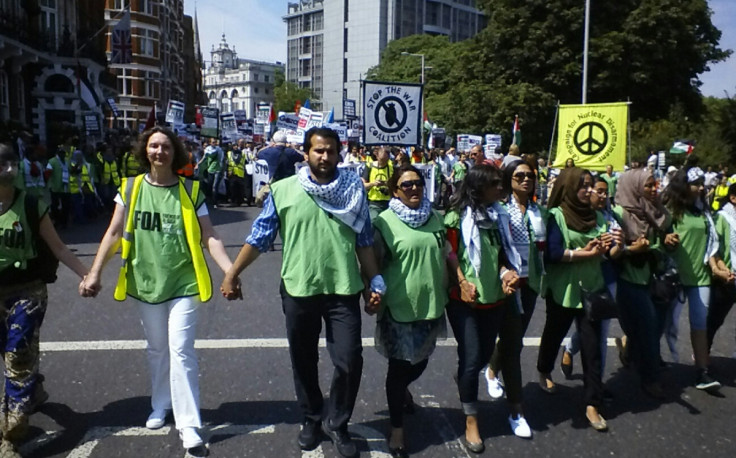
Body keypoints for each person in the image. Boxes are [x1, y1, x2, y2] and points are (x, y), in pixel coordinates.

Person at [220, 127, 383, 458]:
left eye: (331, 151)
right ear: (305, 153)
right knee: (303, 360)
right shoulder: (283, 190)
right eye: (318, 151)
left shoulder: (354, 190)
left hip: (343, 289)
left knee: (350, 360)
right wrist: (232, 273)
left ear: (339, 154)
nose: (325, 157)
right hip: (299, 288)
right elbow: (259, 238)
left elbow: (364, 241)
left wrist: (374, 283)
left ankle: (337, 423)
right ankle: (311, 418)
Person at [79, 127, 233, 455]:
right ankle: (161, 404)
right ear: (144, 151)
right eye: (153, 146)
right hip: (146, 282)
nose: (159, 151)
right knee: (158, 349)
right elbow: (113, 232)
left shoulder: (191, 191)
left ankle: (189, 424)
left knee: (181, 350)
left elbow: (210, 235)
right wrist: (95, 272)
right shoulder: (131, 188)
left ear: (174, 152)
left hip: (185, 283)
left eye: (164, 146)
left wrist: (230, 271)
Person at [0, 145, 88, 454]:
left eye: (10, 164)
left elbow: (60, 247)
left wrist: (86, 274)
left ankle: (11, 435)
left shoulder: (31, 204)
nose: (6, 170)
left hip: (27, 292)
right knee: (8, 354)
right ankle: (33, 390)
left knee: (18, 358)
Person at [372, 164, 450, 457]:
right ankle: (397, 428)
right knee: (400, 366)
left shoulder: (436, 217)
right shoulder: (384, 223)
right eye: (406, 185)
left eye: (417, 183)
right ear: (395, 191)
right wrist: (373, 293)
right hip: (398, 307)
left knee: (420, 361)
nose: (414, 188)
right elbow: (374, 264)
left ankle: (403, 388)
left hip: (431, 303)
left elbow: (446, 252)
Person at [536, 167, 619, 432]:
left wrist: (614, 245)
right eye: (583, 186)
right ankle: (544, 369)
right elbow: (553, 253)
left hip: (591, 290)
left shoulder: (596, 216)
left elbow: (609, 253)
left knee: (592, 348)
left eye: (590, 186)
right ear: (570, 187)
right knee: (554, 333)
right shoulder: (556, 216)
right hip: (563, 290)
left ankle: (592, 403)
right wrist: (583, 253)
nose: (589, 191)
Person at [444, 164, 519, 453]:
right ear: (478, 188)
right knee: (472, 355)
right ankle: (471, 419)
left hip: (495, 298)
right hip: (463, 299)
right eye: (495, 185)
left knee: (481, 356)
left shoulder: (500, 216)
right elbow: (449, 255)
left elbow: (501, 256)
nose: (501, 189)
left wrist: (506, 273)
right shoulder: (454, 217)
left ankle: (466, 375)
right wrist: (462, 281)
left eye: (501, 184)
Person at [483, 159, 545, 438]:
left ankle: (493, 371)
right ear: (508, 179)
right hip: (505, 284)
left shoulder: (539, 211)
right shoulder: (499, 212)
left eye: (530, 175)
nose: (525, 179)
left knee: (514, 339)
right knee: (513, 344)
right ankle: (516, 410)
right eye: (519, 175)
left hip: (530, 283)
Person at [609, 168, 670, 398]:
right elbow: (612, 249)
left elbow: (665, 229)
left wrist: (665, 240)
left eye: (655, 185)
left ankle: (629, 355)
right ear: (634, 187)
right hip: (627, 279)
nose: (654, 189)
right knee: (649, 327)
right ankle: (651, 378)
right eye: (648, 186)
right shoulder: (618, 213)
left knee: (640, 329)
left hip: (651, 279)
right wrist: (634, 248)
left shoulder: (652, 211)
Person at [661, 166, 721, 390]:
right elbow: (660, 236)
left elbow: (712, 242)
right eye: (697, 184)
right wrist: (667, 239)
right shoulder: (670, 210)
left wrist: (715, 266)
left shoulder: (703, 210)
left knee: (700, 323)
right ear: (684, 186)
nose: (702, 188)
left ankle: (702, 372)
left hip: (700, 277)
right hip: (674, 277)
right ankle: (632, 349)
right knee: (661, 324)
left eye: (702, 183)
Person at [560, 176, 622, 384]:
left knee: (599, 329)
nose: (603, 196)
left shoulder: (610, 216)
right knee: (592, 328)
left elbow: (612, 253)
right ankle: (595, 385)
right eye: (599, 191)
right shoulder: (579, 217)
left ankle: (595, 383)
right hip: (585, 279)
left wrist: (619, 245)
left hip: (608, 278)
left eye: (606, 192)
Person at [708, 183, 736, 357]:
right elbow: (714, 248)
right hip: (726, 278)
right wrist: (721, 270)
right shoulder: (721, 218)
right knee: (714, 320)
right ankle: (703, 354)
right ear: (733, 198)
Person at [362, 146, 394, 220]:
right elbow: (362, 185)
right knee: (373, 222)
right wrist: (373, 184)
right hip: (374, 203)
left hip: (388, 203)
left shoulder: (392, 167)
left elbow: (396, 185)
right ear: (377, 156)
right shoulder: (369, 166)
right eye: (382, 160)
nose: (384, 162)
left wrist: (386, 184)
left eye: (386, 160)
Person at [226, 142, 247, 206]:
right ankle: (233, 201)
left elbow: (244, 162)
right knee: (232, 187)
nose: (235, 147)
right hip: (232, 172)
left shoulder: (242, 154)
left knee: (240, 188)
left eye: (236, 146)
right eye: (234, 146)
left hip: (240, 173)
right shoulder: (229, 153)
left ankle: (239, 201)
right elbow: (228, 162)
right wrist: (229, 171)